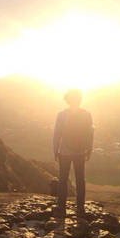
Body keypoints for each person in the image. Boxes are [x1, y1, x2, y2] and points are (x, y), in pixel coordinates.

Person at [53, 88, 94, 218]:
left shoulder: (62, 115)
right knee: (80, 179)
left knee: (63, 180)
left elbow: (57, 134)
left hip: (65, 151)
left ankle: (61, 208)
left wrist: (55, 150)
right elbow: (90, 133)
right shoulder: (87, 114)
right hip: (80, 151)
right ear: (80, 99)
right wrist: (89, 149)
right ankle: (80, 208)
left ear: (68, 99)